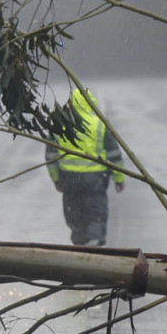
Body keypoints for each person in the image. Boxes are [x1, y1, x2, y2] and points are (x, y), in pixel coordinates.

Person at [45, 88, 125, 246]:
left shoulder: (61, 124)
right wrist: (119, 178)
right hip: (95, 180)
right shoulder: (100, 126)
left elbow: (50, 157)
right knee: (95, 213)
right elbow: (114, 155)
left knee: (75, 214)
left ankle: (80, 244)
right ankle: (94, 244)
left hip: (69, 180)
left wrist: (56, 179)